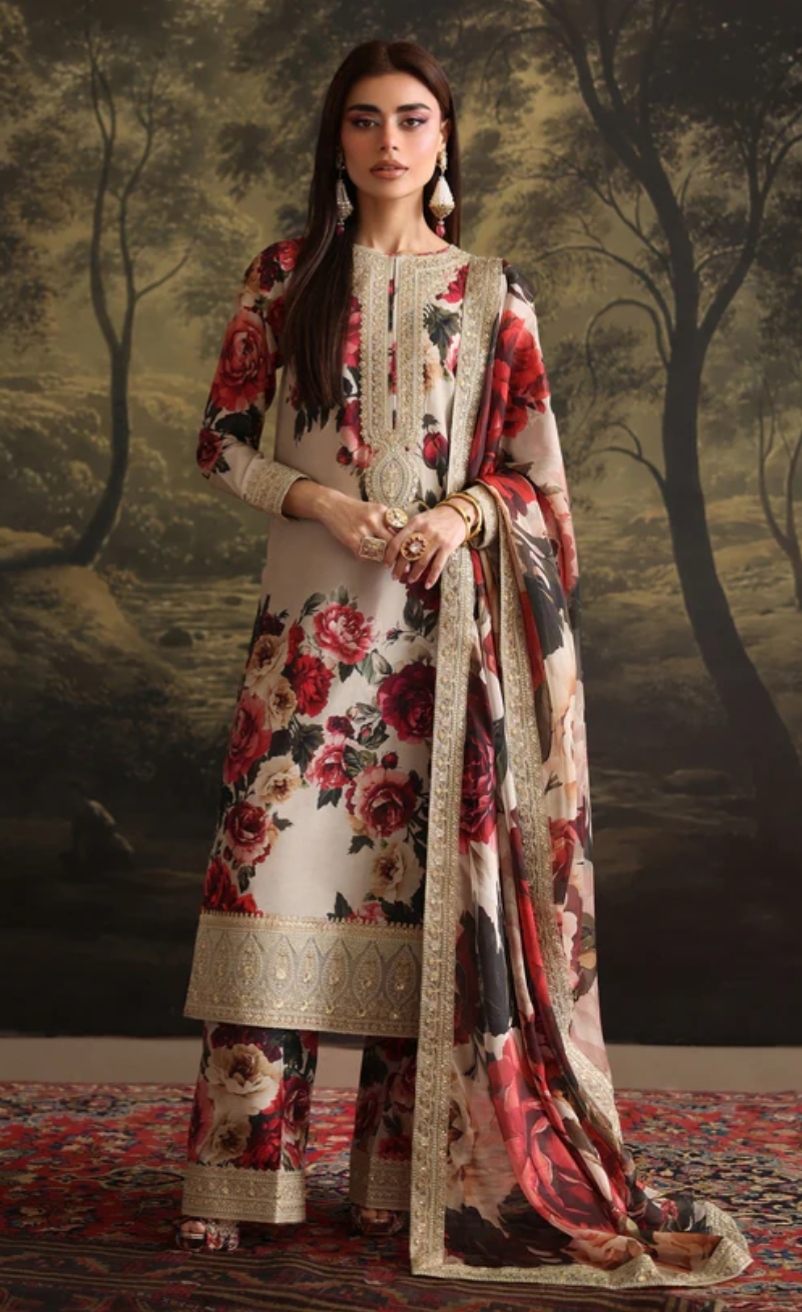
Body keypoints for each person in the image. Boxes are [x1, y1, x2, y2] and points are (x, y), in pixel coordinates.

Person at [175, 38, 752, 1289]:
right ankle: (241, 1172)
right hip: (305, 642)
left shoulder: (492, 292)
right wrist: (323, 503)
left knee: (416, 901)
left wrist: (457, 518)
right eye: (364, 119)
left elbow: (535, 477)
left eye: (411, 119)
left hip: (439, 649)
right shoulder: (285, 274)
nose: (387, 141)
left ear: (444, 141)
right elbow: (219, 443)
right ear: (336, 141)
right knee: (272, 877)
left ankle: (403, 1179)